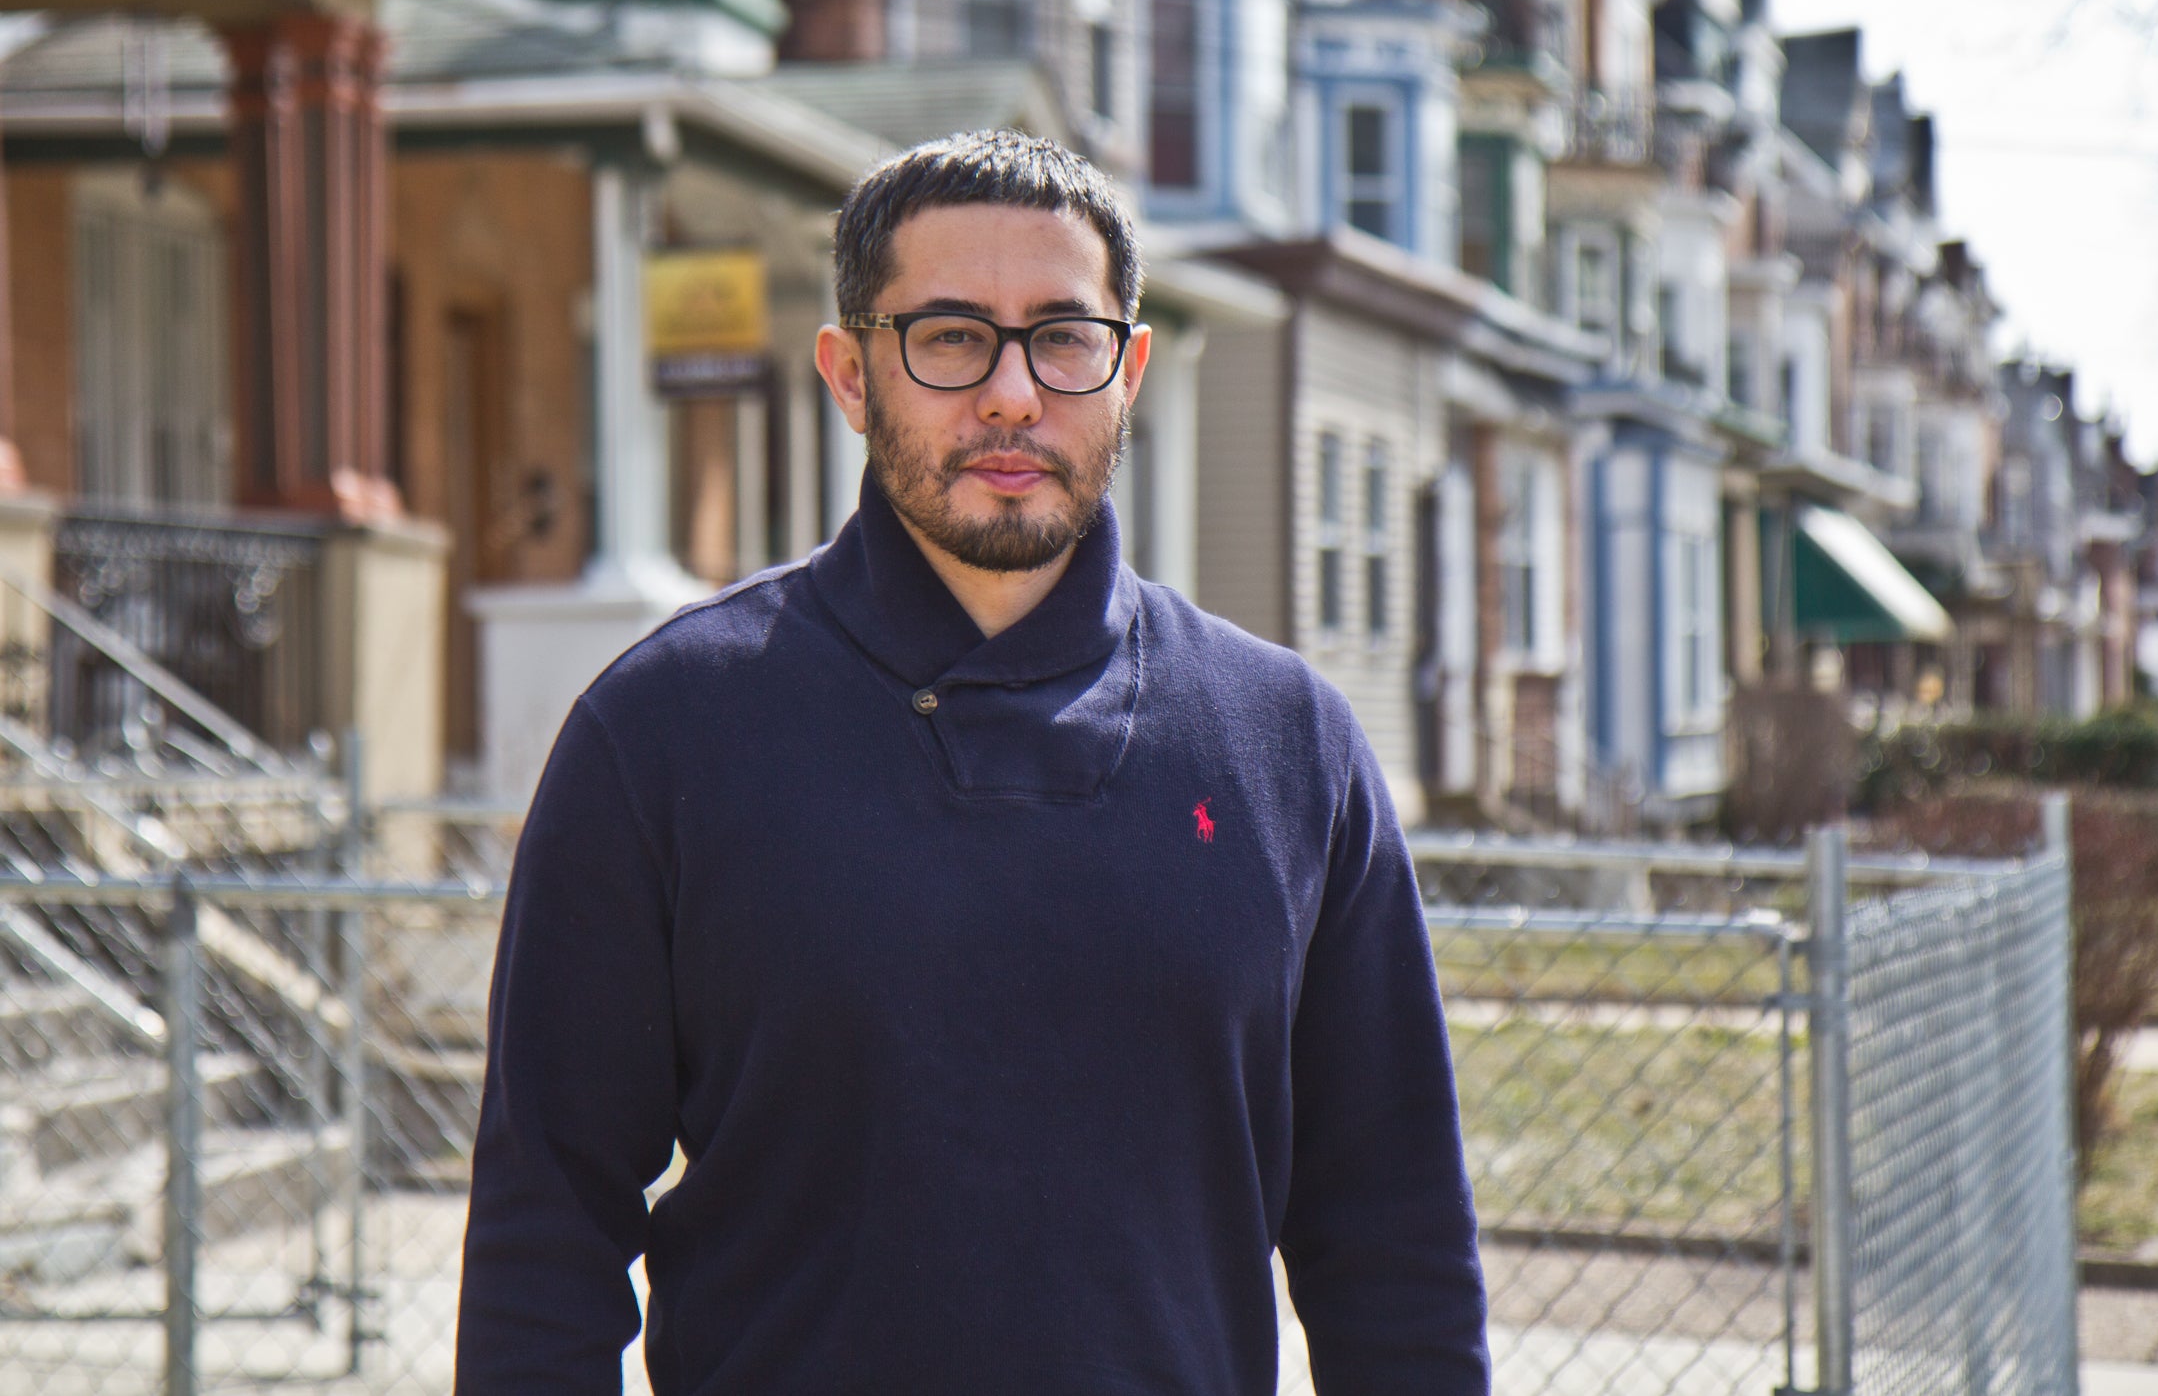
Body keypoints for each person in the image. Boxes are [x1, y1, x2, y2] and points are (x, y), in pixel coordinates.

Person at [455, 130, 1488, 1394]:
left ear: (1129, 372)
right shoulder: (664, 733)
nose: (1012, 393)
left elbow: (1394, 1252)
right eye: (948, 335)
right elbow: (543, 1233)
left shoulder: (1287, 747)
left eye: (1062, 336)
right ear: (848, 374)